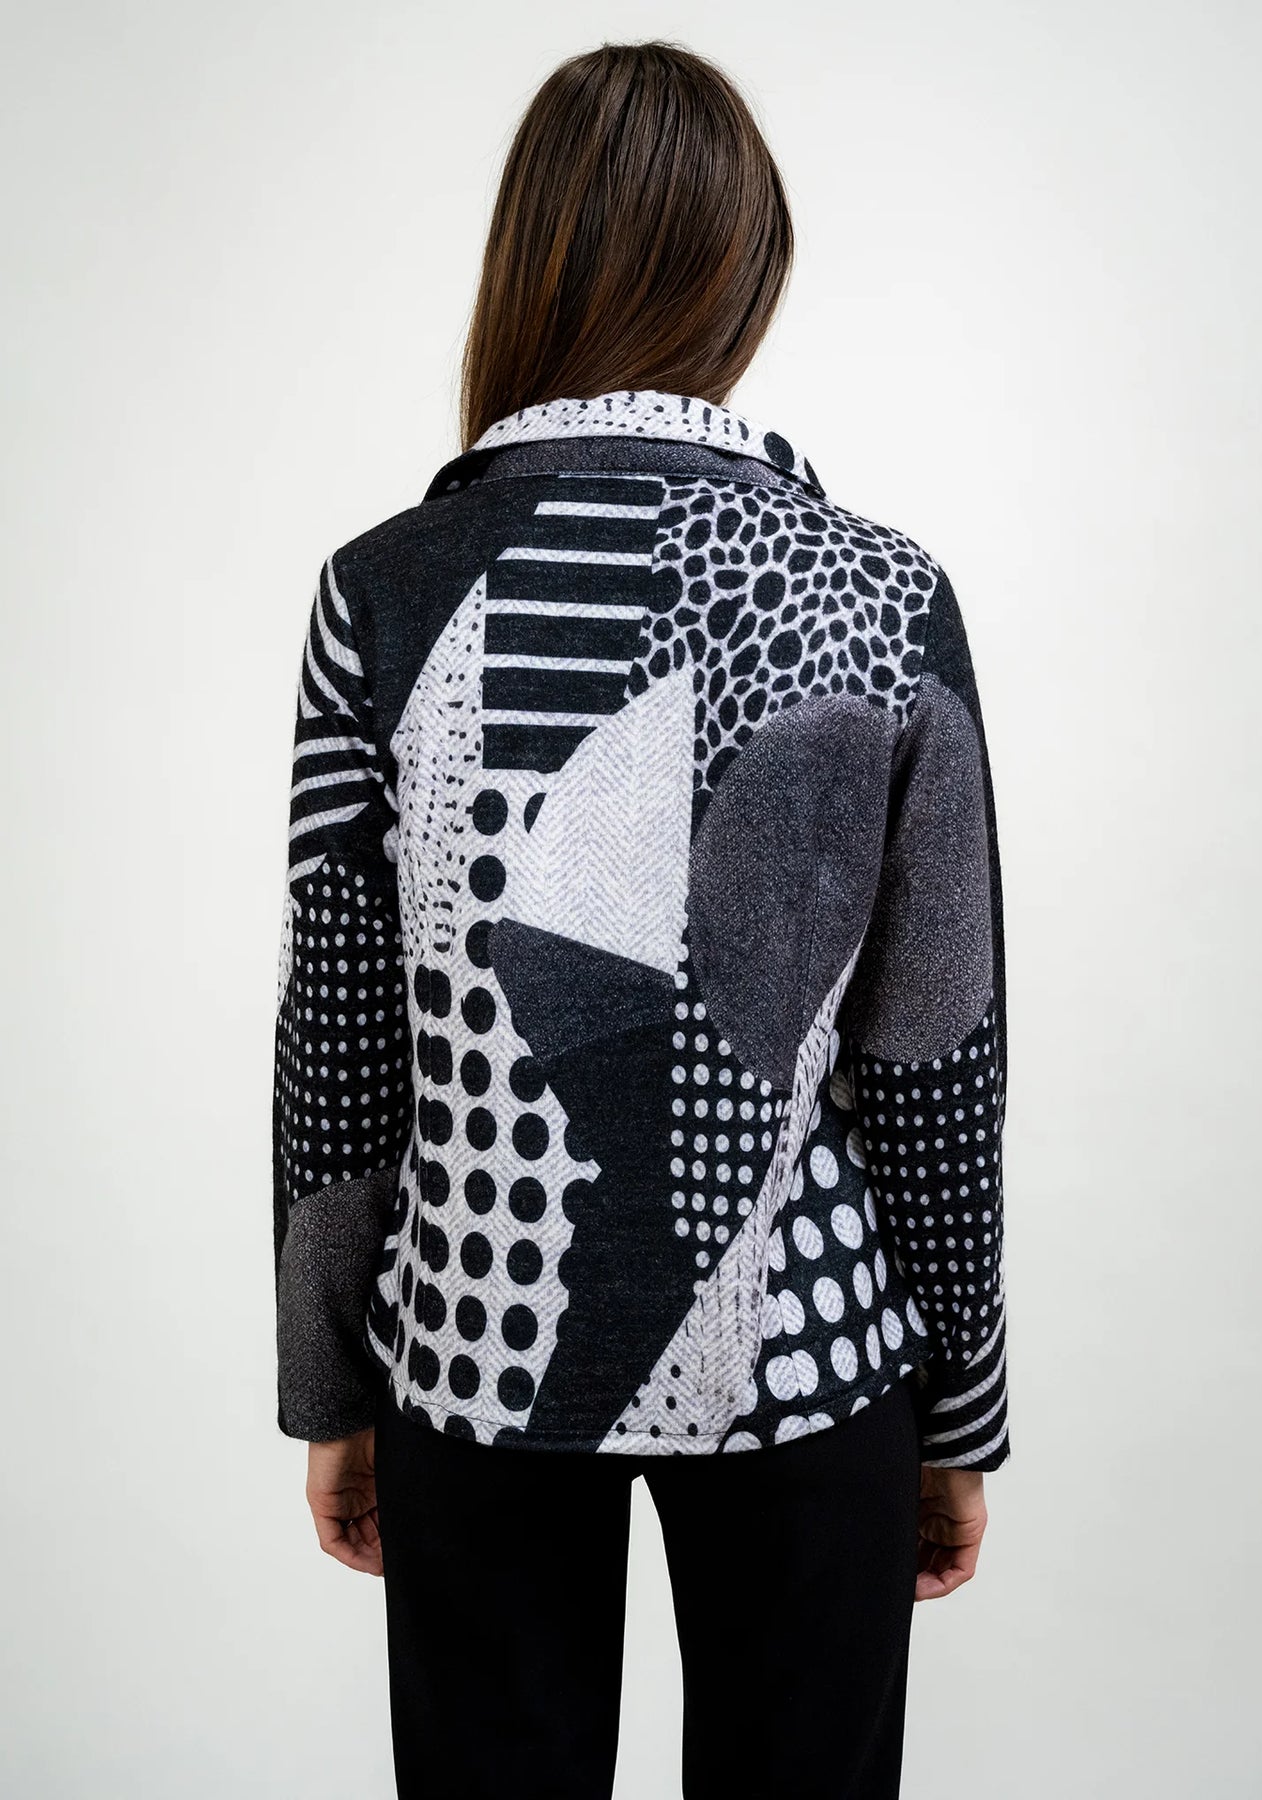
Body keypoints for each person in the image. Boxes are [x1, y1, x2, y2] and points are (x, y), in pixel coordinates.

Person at [272, 38, 1010, 1800]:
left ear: (527, 264)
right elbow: (939, 1056)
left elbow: (338, 1040)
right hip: (814, 1362)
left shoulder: (380, 593)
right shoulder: (886, 595)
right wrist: (959, 1411)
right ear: (744, 279)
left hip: (476, 1348)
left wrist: (333, 1390)